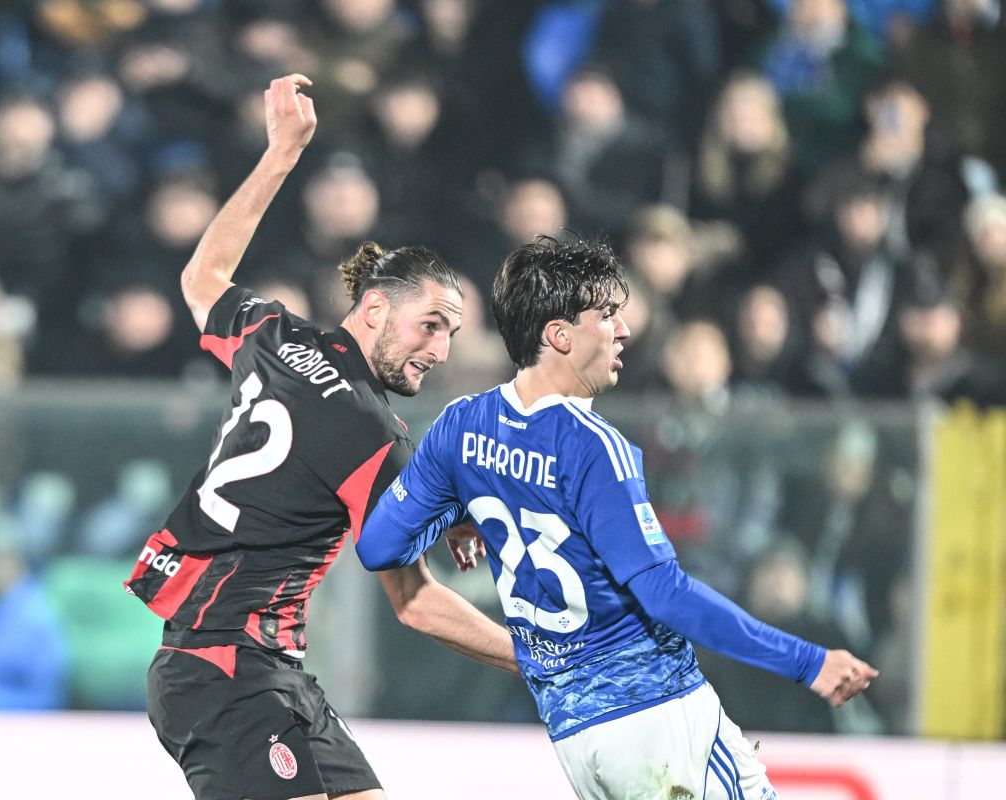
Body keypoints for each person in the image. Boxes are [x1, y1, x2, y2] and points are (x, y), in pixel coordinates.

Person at [357, 235, 878, 799]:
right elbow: (667, 595)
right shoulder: (594, 447)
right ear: (560, 335)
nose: (624, 329)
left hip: (576, 733)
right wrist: (807, 661)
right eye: (606, 315)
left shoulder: (460, 425)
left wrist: (461, 508)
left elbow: (378, 547)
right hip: (656, 715)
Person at [122, 73, 515, 800]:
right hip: (227, 670)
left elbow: (203, 276)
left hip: (259, 670)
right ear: (374, 309)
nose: (439, 350)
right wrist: (545, 660)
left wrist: (280, 154)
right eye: (430, 325)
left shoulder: (277, 337)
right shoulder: (372, 433)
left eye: (452, 334)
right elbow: (416, 602)